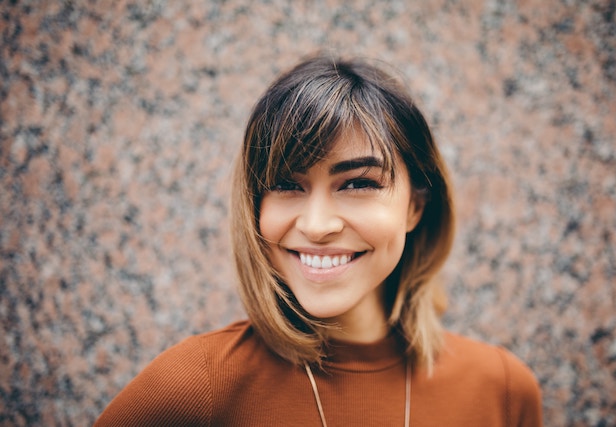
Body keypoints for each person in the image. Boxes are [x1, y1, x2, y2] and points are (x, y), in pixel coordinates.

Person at [94, 55, 542, 426]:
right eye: (287, 184)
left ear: (414, 207)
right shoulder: (195, 385)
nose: (317, 224)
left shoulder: (502, 389)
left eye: (358, 183)